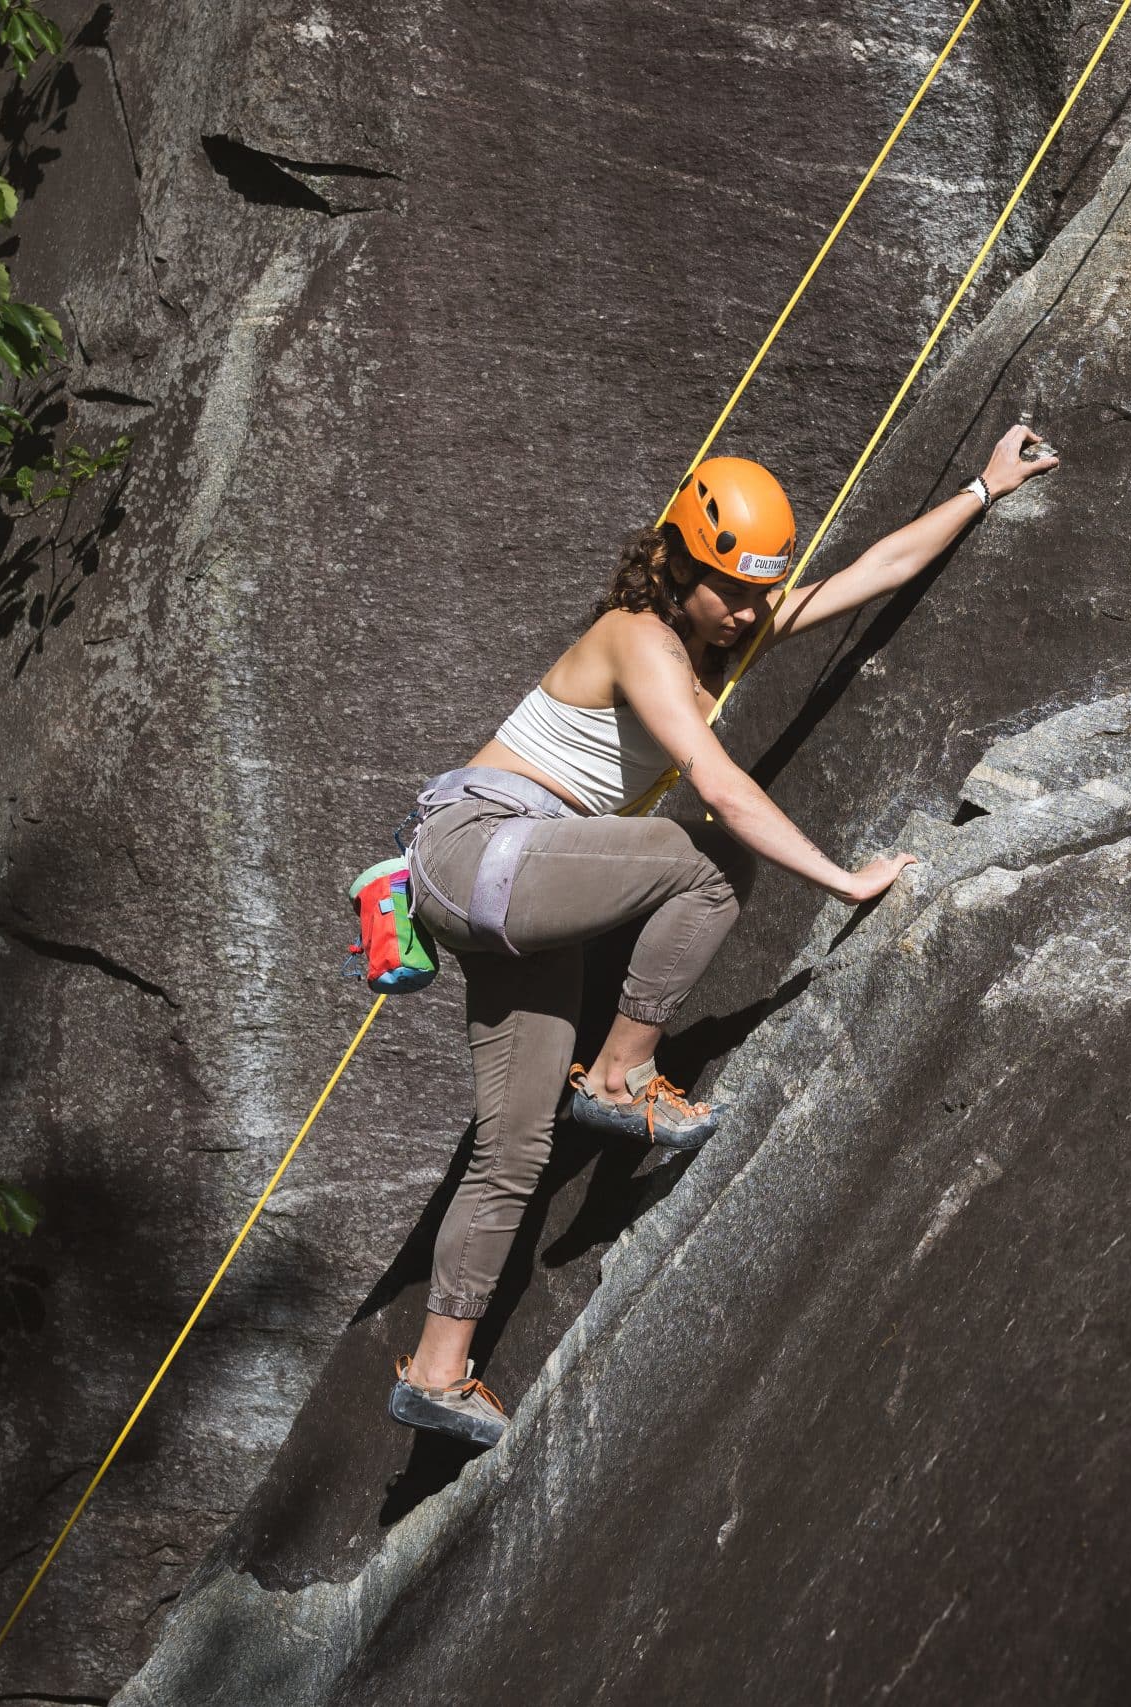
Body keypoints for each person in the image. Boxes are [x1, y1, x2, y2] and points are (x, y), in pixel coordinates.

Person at [385, 424, 1059, 1448]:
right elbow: (716, 782)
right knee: (703, 854)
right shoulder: (637, 635)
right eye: (729, 589)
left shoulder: (714, 628)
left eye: (758, 591)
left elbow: (868, 572)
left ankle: (436, 1372)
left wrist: (982, 486)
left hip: (528, 887)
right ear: (675, 563)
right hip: (478, 849)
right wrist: (842, 880)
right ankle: (620, 1078)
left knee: (515, 1148)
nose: (746, 611)